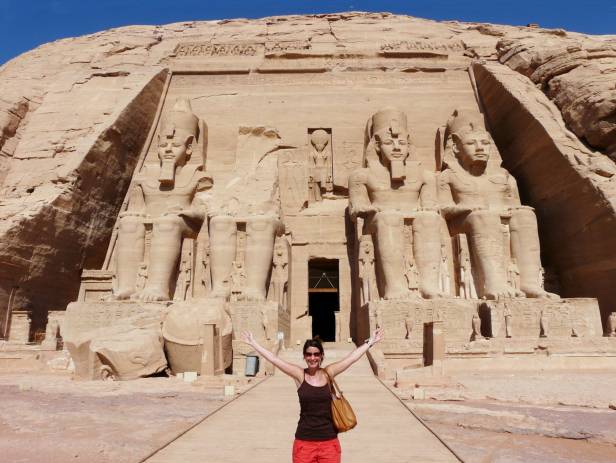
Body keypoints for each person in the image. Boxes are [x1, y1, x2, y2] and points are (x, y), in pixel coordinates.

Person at [240, 328, 384, 463]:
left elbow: (351, 359)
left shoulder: (329, 373)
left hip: (329, 442)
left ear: (321, 356)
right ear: (304, 356)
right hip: (304, 443)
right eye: (309, 354)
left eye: (316, 354)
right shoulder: (299, 375)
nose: (312, 358)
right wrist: (253, 343)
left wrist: (370, 341)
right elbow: (275, 360)